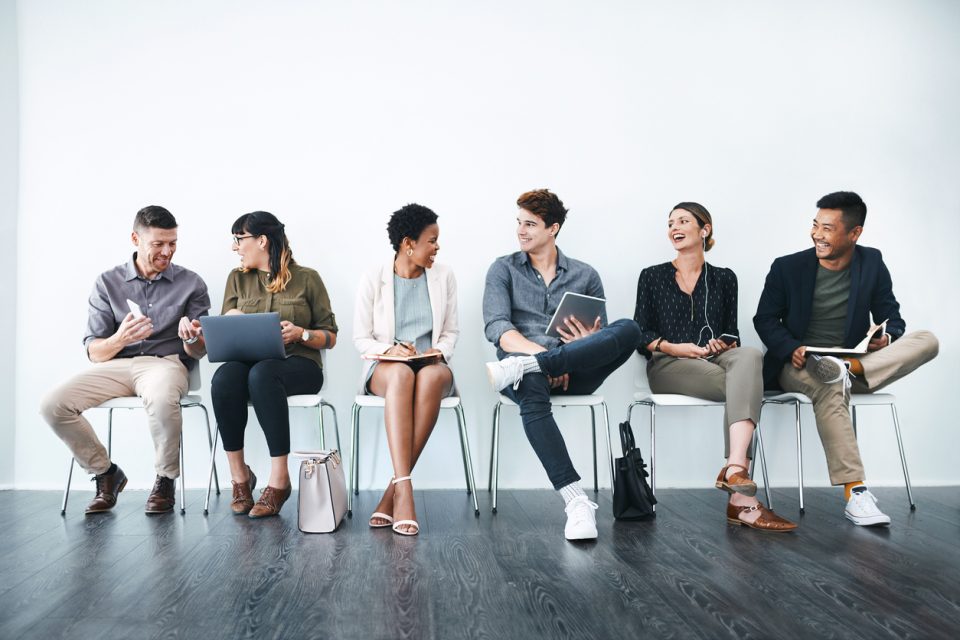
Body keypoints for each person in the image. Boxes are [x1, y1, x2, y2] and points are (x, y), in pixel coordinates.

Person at [754, 191, 939, 526]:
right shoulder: (787, 267)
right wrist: (790, 347)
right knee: (830, 381)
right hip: (801, 364)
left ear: (854, 233)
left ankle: (848, 367)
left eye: (827, 228)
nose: (817, 234)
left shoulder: (872, 262)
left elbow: (892, 316)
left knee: (927, 340)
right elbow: (764, 319)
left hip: (856, 365)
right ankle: (855, 493)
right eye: (815, 225)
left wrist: (885, 336)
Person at [483, 189, 642, 541]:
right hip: (520, 366)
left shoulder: (585, 274)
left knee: (630, 329)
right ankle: (576, 502)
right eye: (519, 223)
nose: (521, 231)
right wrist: (544, 358)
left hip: (571, 368)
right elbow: (498, 330)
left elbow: (600, 342)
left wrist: (582, 344)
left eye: (530, 224)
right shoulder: (503, 269)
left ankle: (536, 365)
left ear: (553, 228)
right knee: (533, 383)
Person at [634, 203, 796, 532]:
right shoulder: (652, 276)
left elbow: (731, 332)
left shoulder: (724, 278)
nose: (674, 228)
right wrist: (672, 347)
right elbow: (640, 334)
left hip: (714, 359)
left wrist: (723, 344)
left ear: (704, 230)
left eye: (683, 221)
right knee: (747, 385)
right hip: (668, 364)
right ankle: (742, 501)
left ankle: (734, 467)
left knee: (749, 355)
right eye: (670, 223)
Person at [41, 206, 211, 515]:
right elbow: (94, 352)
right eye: (158, 243)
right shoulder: (107, 282)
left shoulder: (192, 283)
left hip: (166, 363)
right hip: (116, 365)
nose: (167, 251)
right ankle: (105, 473)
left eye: (172, 242)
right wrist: (121, 338)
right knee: (53, 404)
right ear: (136, 238)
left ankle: (165, 479)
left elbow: (199, 352)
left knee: (160, 399)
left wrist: (192, 339)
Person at [200, 211, 338, 519]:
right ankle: (240, 477)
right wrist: (229, 321)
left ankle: (279, 480)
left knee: (262, 375)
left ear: (262, 241)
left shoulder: (308, 278)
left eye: (239, 239)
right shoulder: (237, 279)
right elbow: (226, 335)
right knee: (224, 379)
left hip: (299, 366)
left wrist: (301, 333)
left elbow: (330, 337)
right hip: (249, 366)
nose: (235, 247)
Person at [353, 204, 458, 536]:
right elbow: (361, 338)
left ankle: (394, 491)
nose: (437, 248)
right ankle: (405, 493)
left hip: (431, 364)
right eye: (432, 240)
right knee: (401, 374)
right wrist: (391, 351)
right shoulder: (374, 277)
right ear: (408, 243)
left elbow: (451, 331)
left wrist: (435, 351)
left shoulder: (444, 276)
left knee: (427, 376)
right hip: (387, 367)